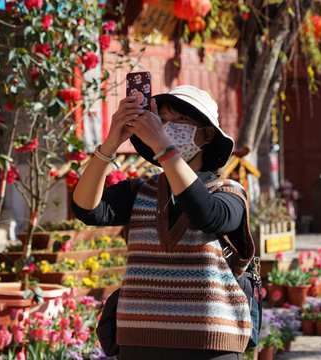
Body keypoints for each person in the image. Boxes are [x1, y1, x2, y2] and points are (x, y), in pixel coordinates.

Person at [71, 85, 255, 360]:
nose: (168, 127)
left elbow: (207, 215)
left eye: (181, 120)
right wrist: (111, 143)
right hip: (138, 343)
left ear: (207, 135)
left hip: (210, 347)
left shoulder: (229, 192)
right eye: (163, 120)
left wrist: (162, 145)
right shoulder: (139, 192)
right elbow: (87, 209)